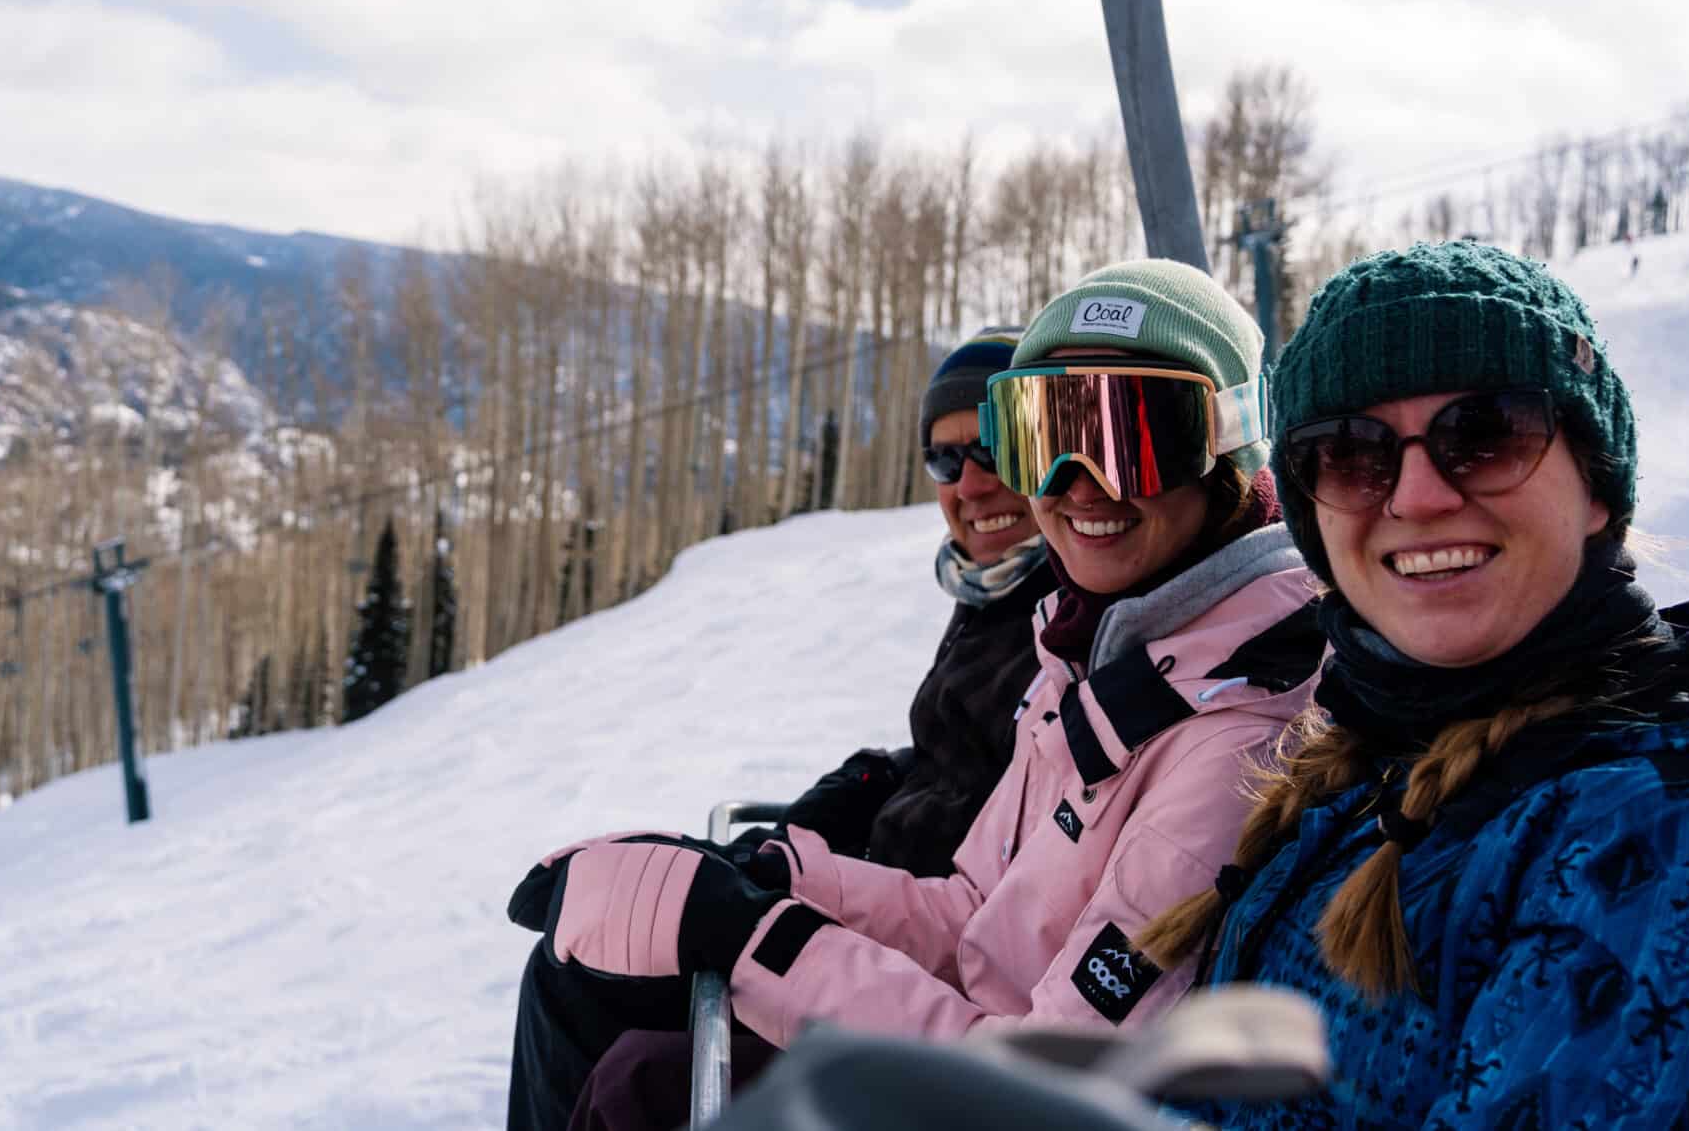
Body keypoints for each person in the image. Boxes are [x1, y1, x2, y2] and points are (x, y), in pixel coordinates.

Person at [509, 260, 1330, 1131]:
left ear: (1228, 447)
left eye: (1133, 435)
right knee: (601, 1011)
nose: (1079, 480)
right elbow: (970, 911)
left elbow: (1044, 1081)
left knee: (637, 1087)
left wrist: (750, 935)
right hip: (951, 1036)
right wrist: (775, 876)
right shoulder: (1099, 650)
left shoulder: (1242, 725)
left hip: (996, 1092)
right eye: (1041, 435)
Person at [1138, 241, 1689, 1127]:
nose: (1415, 496)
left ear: (1597, 488)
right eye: (1350, 451)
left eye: (1484, 433)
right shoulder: (1365, 766)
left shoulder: (1653, 821)